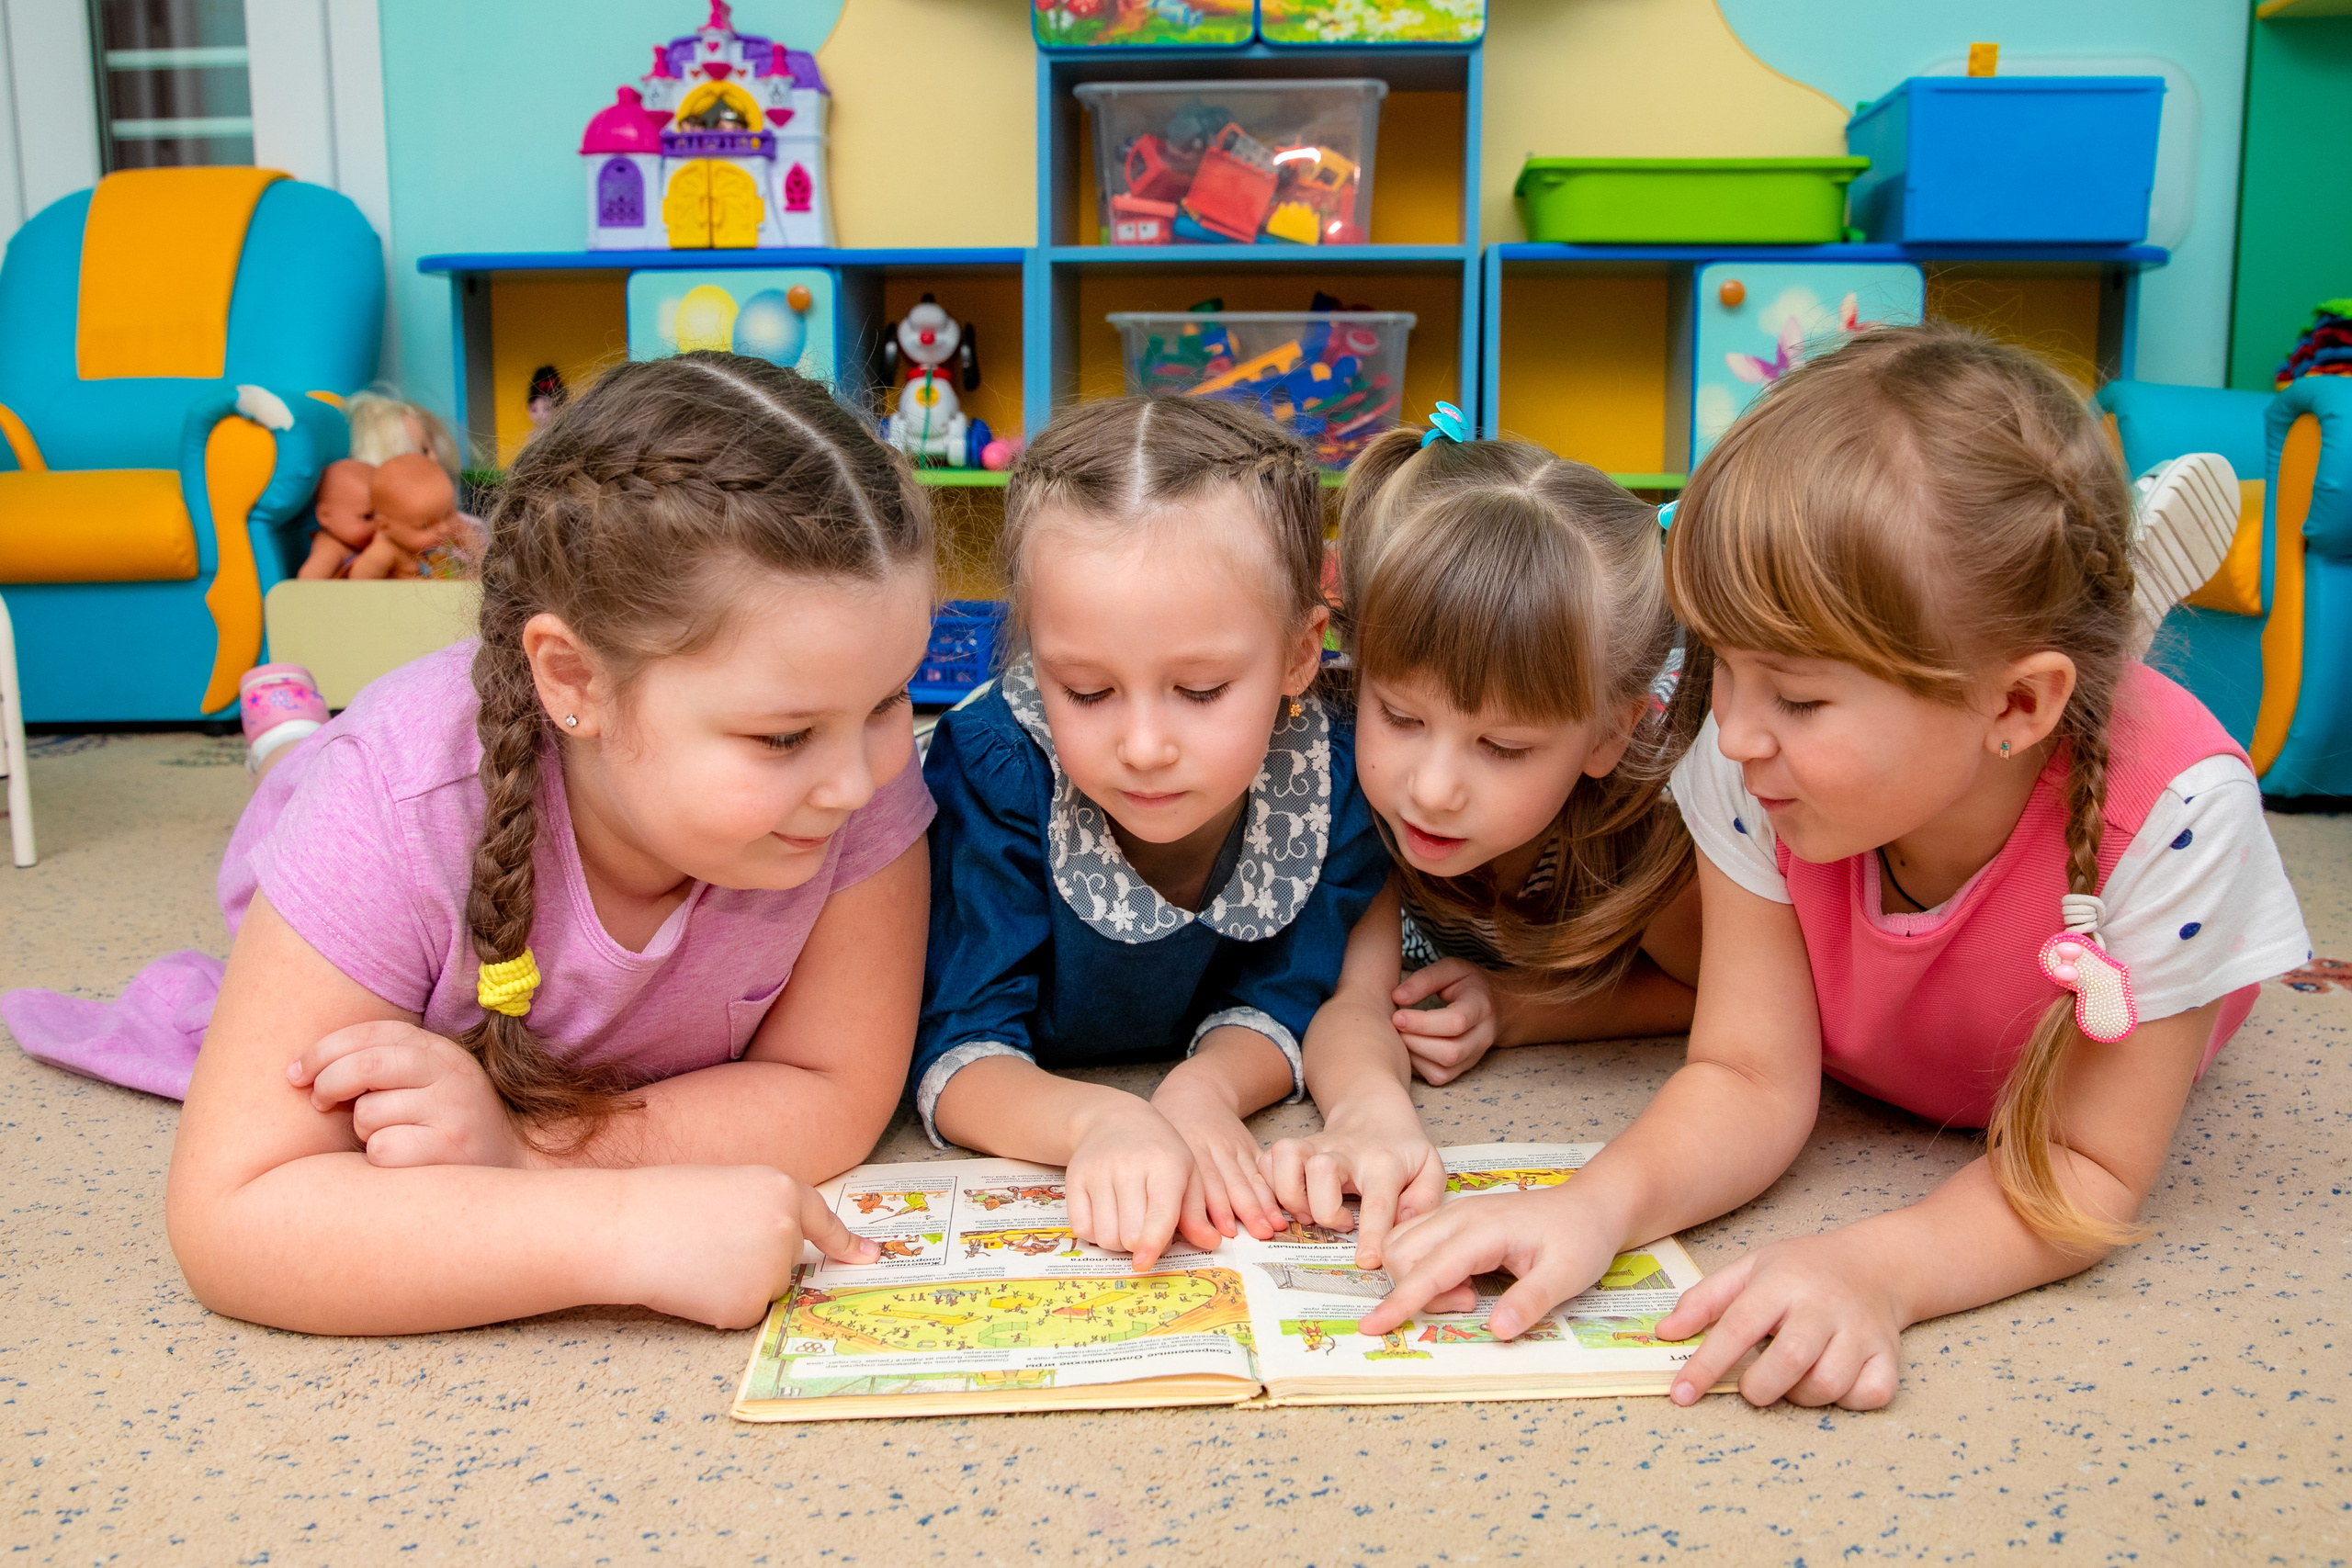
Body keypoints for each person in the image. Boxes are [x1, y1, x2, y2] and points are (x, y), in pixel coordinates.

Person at [1352, 325, 2309, 1410]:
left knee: (2088, 762)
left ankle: (2110, 632)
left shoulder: (2182, 819)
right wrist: (1592, 1207)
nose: (1733, 731)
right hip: (1910, 942)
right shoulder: (1748, 753)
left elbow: (2085, 1170)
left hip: (2098, 888)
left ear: (2013, 703)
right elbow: (1750, 1076)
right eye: (1719, 664)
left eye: (1799, 697)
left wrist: (1876, 1268)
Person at [160, 353, 937, 1335]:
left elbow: (837, 1087)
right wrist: (617, 1228)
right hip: (353, 799)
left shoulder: (850, 764)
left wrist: (528, 1155)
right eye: (780, 737)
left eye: (891, 701)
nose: (858, 780)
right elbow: (234, 1217)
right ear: (572, 680)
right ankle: (287, 741)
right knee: (303, 778)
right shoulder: (393, 803)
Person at [915, 397, 1389, 1271]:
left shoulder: (1330, 772)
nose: (1142, 746)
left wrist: (1203, 1091)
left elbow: (1291, 992)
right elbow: (959, 1050)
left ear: (1299, 652)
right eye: (1086, 691)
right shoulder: (995, 767)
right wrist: (1103, 1119)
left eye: (1201, 689)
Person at [1261, 422, 1702, 1266]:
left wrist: (1518, 1007)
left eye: (1501, 748)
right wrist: (1370, 1114)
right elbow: (1357, 1000)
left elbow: (1716, 996)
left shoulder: (1643, 824)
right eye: (1401, 716)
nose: (1431, 787)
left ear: (1611, 735)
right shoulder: (1353, 796)